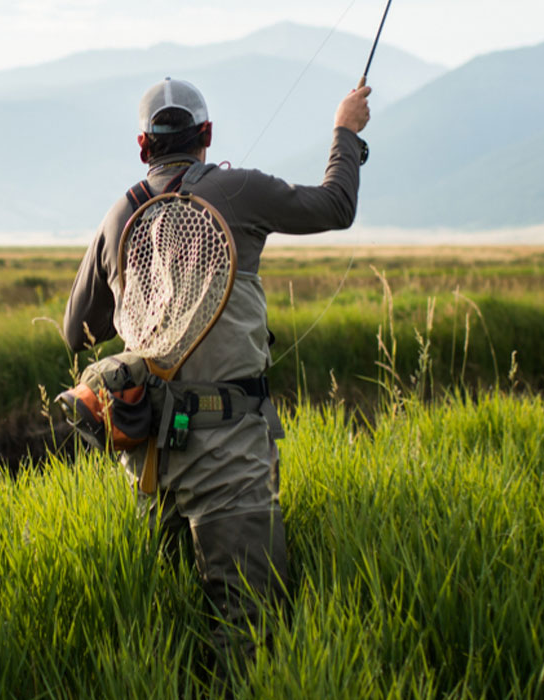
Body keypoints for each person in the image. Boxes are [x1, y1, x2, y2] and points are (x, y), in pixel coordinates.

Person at [61, 78, 372, 670]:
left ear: (142, 145)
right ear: (206, 136)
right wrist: (346, 132)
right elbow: (337, 206)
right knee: (251, 634)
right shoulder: (239, 189)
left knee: (167, 634)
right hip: (228, 449)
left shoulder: (116, 215)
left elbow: (78, 332)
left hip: (147, 457)